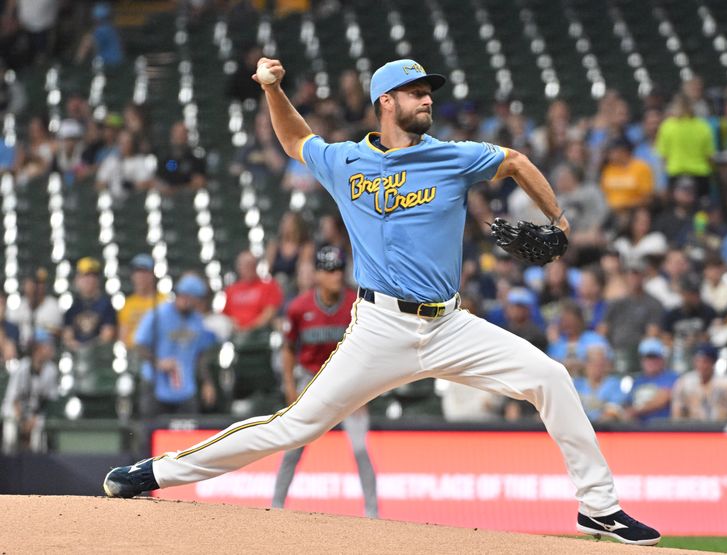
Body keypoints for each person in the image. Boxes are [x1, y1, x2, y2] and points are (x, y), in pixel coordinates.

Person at [103, 57, 660, 546]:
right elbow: (297, 140)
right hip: (378, 327)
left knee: (551, 378)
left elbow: (513, 160)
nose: (428, 100)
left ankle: (599, 508)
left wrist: (557, 220)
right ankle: (155, 473)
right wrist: (273, 90)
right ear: (386, 102)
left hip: (449, 325)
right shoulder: (346, 161)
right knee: (295, 426)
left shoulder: (453, 157)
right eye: (418, 92)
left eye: (429, 92)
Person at [273, 246, 378, 518]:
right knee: (294, 444)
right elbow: (287, 348)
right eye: (329, 270)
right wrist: (289, 386)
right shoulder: (299, 307)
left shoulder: (357, 305)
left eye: (339, 270)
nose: (335, 275)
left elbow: (369, 350)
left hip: (348, 381)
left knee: (359, 448)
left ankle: (372, 513)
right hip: (311, 379)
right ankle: (276, 507)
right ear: (317, 274)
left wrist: (364, 391)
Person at [135, 274, 217, 416]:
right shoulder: (158, 314)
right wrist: (158, 362)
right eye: (183, 296)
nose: (186, 301)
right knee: (151, 432)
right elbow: (140, 345)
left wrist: (207, 382)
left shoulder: (197, 321)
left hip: (185, 387)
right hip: (155, 383)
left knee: (188, 434)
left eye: (192, 299)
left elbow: (200, 355)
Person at [1, 329, 58, 454]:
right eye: (46, 345)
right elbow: (14, 399)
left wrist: (33, 420)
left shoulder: (51, 370)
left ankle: (37, 465)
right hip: (15, 411)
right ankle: (8, 461)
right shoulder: (22, 367)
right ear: (37, 348)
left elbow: (48, 401)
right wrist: (22, 420)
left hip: (36, 414)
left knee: (39, 434)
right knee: (10, 433)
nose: (49, 348)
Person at [671, 344, 727, 421]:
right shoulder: (684, 382)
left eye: (705, 361)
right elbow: (677, 414)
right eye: (698, 361)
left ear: (713, 362)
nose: (701, 365)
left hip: (720, 428)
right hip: (692, 428)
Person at [62, 257, 117, 351]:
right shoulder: (73, 308)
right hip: (76, 356)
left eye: (93, 276)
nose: (90, 280)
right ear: (77, 279)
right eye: (85, 275)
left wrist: (85, 347)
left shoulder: (106, 305)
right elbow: (67, 337)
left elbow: (108, 335)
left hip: (100, 356)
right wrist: (76, 346)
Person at [222, 250, 283, 332]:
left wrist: (251, 328)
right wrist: (234, 325)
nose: (248, 268)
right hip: (234, 331)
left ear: (256, 266)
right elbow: (225, 316)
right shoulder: (230, 290)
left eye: (251, 264)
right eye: (245, 265)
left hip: (259, 332)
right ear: (238, 267)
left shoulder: (269, 286)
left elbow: (270, 312)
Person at [624, 338, 679, 423]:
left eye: (654, 357)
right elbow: (627, 404)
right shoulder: (637, 381)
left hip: (662, 428)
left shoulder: (671, 377)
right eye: (647, 358)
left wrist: (635, 411)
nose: (651, 362)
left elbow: (663, 398)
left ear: (662, 359)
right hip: (638, 429)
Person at [117, 254, 166, 349]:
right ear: (132, 276)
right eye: (137, 272)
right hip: (133, 353)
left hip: (156, 352)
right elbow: (123, 337)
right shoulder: (127, 304)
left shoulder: (164, 302)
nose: (141, 276)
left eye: (145, 272)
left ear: (153, 275)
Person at [573, 343, 625, 423]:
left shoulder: (614, 384)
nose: (596, 366)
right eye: (592, 361)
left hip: (604, 429)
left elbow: (614, 412)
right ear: (585, 364)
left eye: (600, 362)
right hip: (578, 428)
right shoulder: (577, 384)